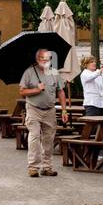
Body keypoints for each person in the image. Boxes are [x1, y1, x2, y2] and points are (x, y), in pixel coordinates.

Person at [19, 48, 70, 177]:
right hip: (33, 109)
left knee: (49, 139)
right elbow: (22, 91)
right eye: (43, 59)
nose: (46, 61)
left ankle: (47, 167)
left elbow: (61, 91)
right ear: (38, 59)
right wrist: (36, 89)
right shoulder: (29, 73)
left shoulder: (54, 73)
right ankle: (33, 167)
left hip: (50, 110)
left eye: (48, 59)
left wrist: (64, 110)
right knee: (35, 136)